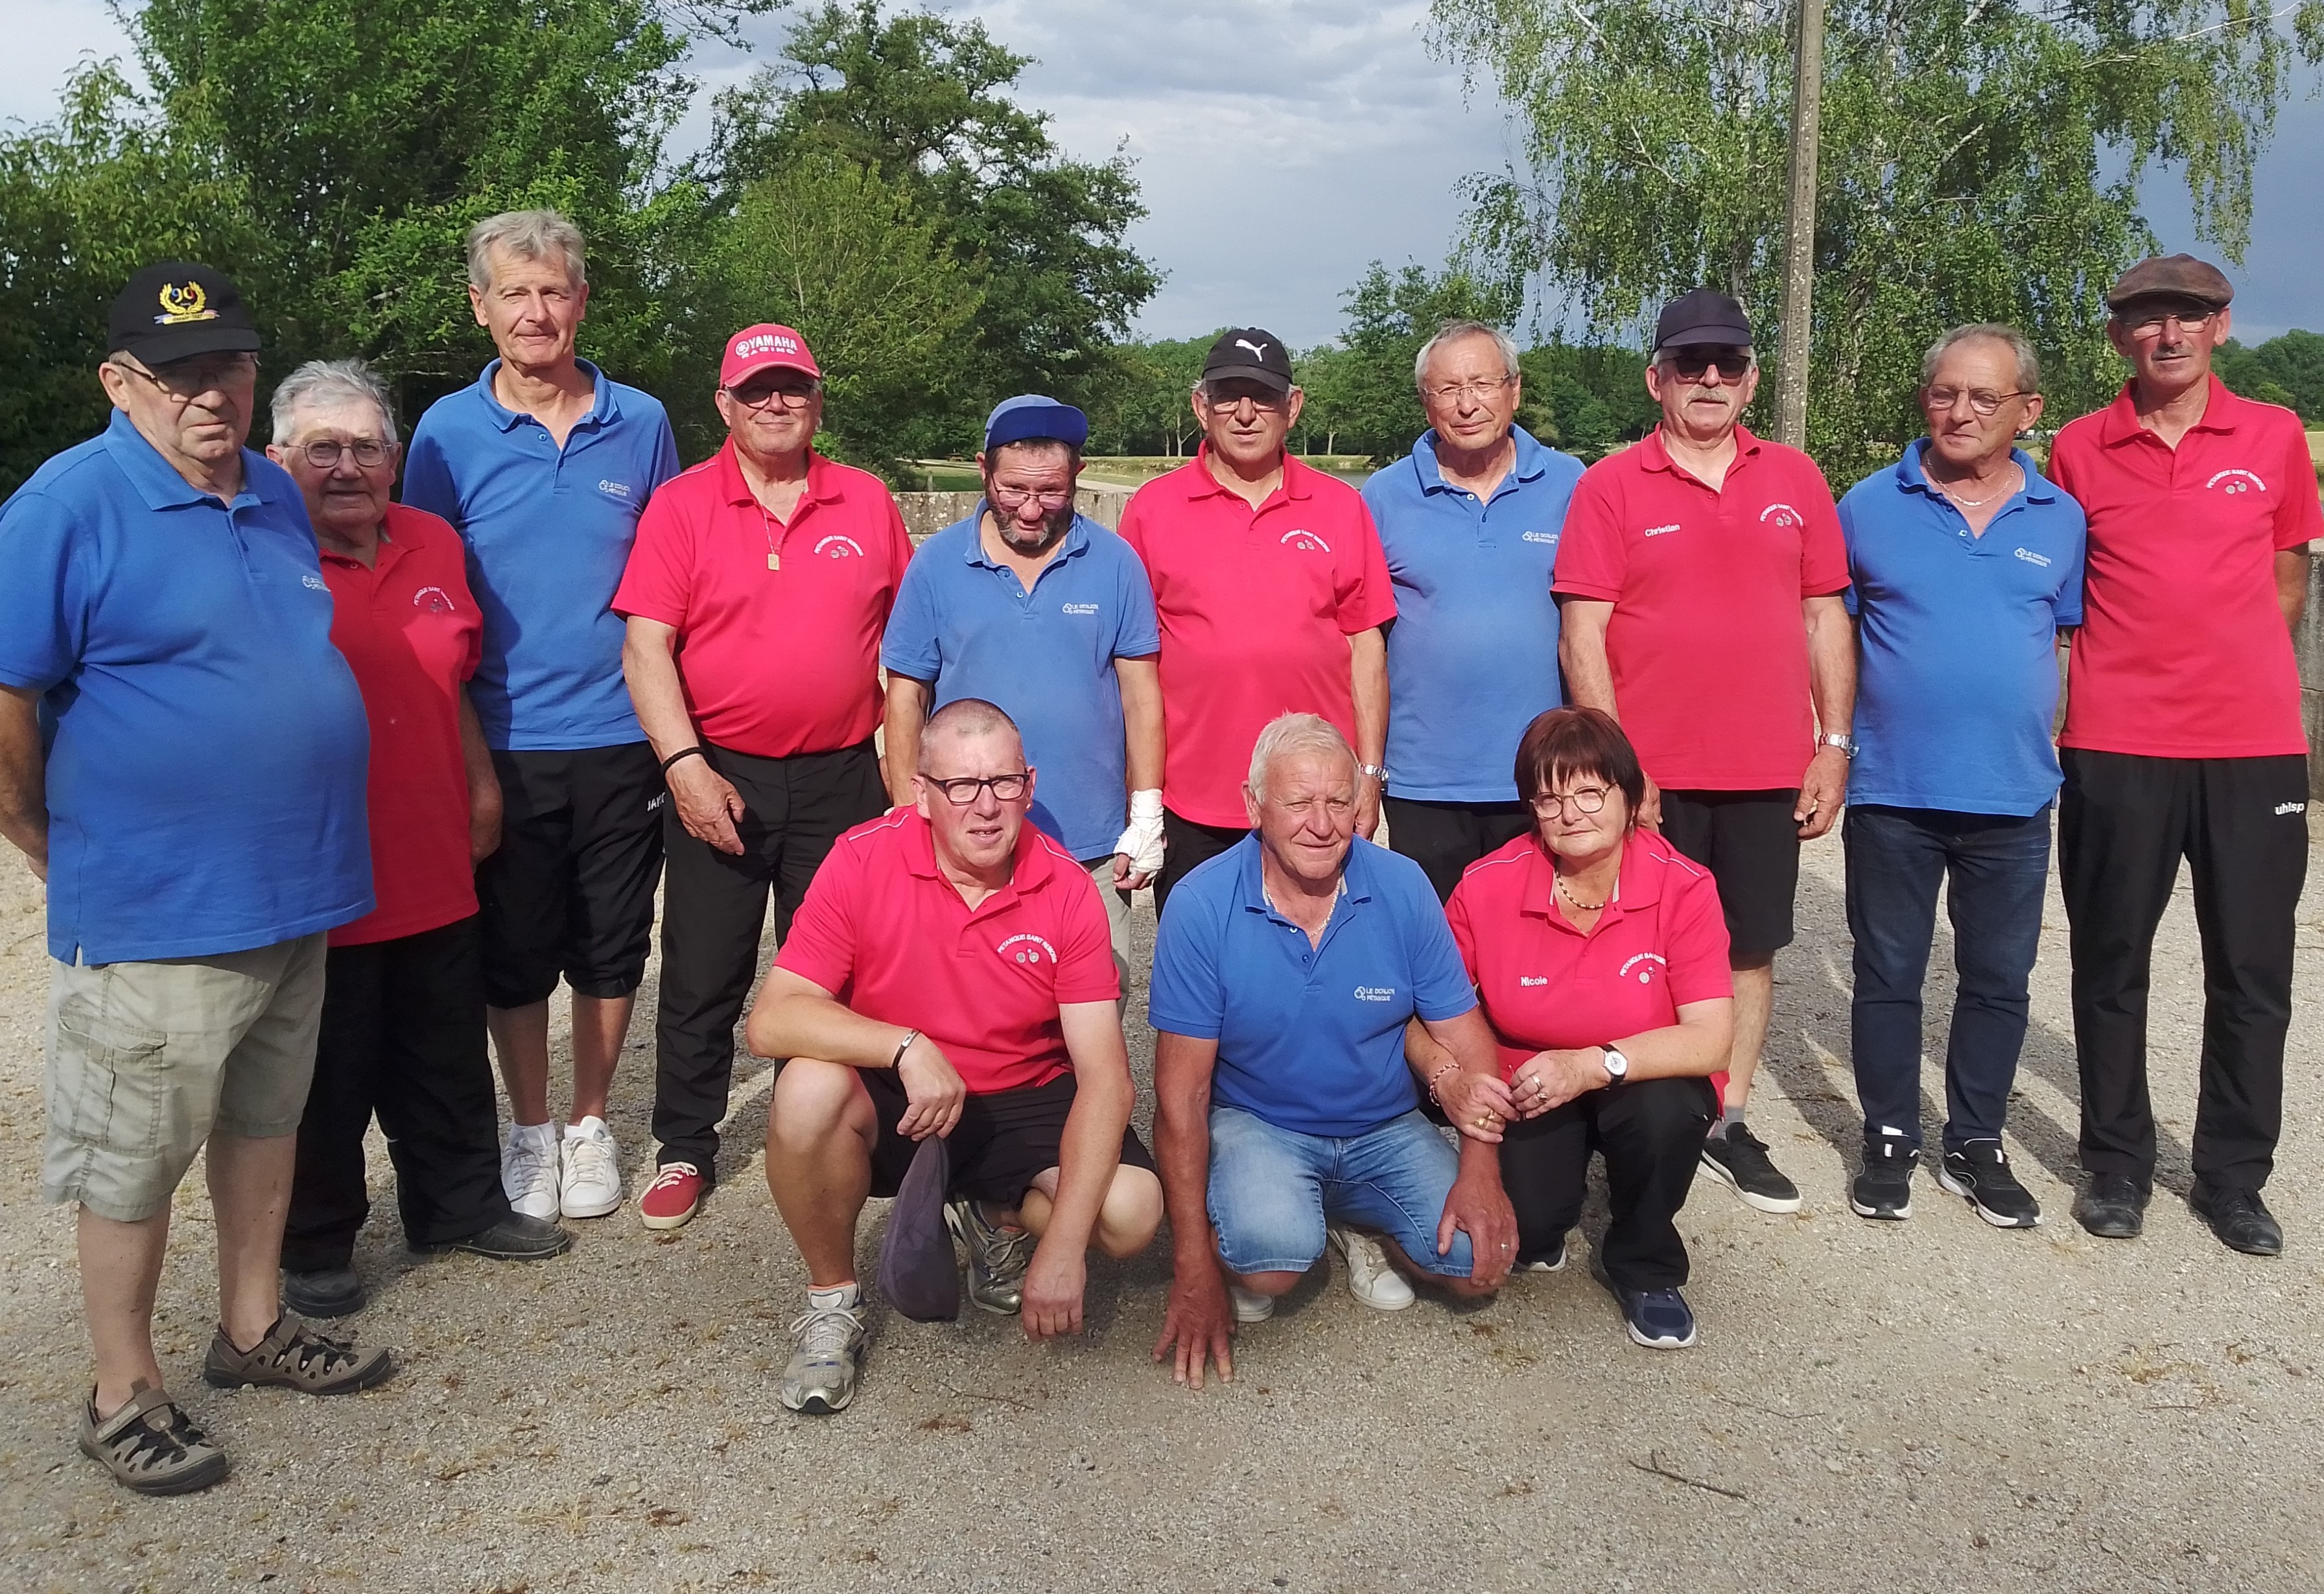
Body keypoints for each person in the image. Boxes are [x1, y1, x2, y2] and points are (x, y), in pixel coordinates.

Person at [0, 264, 392, 1496]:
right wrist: (44, 839)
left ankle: (251, 1323)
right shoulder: (67, 503)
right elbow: (8, 694)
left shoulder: (272, 490)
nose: (209, 393)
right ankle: (122, 1388)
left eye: (227, 365)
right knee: (131, 1154)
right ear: (120, 384)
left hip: (294, 886)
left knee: (263, 1124)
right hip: (161, 902)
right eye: (176, 375)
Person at [746, 699, 1164, 1414]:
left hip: (1024, 1091)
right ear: (921, 791)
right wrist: (902, 1044)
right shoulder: (861, 857)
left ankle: (997, 1215)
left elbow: (1105, 1078)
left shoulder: (1065, 886)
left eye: (1002, 782)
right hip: (901, 1088)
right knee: (806, 1090)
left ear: (1029, 785)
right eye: (960, 785)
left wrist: (1063, 1250)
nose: (985, 806)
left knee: (1132, 1213)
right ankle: (831, 1300)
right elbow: (772, 1020)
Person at [265, 359, 574, 1320]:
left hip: (432, 844)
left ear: (396, 458)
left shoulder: (436, 542)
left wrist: (483, 785)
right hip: (320, 861)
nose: (347, 466)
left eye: (365, 446)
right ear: (278, 459)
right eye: (324, 448)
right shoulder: (259, 552)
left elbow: (458, 682)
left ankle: (458, 1204)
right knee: (326, 1068)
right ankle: (316, 1241)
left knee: (442, 1044)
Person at [405, 209, 681, 1226]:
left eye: (553, 291)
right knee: (515, 948)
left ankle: (590, 1120)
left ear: (581, 301)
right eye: (514, 293)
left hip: (619, 732)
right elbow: (425, 580)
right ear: (481, 308)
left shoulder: (641, 419)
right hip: (500, 737)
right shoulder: (443, 431)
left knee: (612, 943)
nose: (535, 312)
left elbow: (667, 573)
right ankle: (528, 1126)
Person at [2045, 254, 2323, 1254]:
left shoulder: (2276, 435)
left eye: (2189, 317)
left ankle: (2233, 1176)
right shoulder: (2078, 449)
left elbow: (2286, 580)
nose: (2169, 335)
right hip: (2117, 743)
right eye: (2148, 319)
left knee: (2251, 969)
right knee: (2110, 960)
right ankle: (2117, 1161)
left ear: (2221, 327)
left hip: (2252, 749)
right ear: (2119, 335)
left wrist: (2232, 673)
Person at [1554, 287, 1853, 1216]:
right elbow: (1583, 633)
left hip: (1766, 769)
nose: (1711, 379)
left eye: (1728, 364)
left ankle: (1723, 1115)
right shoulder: (1610, 485)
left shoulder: (1796, 480)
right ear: (1658, 379)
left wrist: (1833, 743)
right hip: (1651, 778)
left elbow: (1823, 618)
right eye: (1692, 365)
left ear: (1752, 377)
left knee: (1747, 949)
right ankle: (1632, 1112)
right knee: (1628, 943)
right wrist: (1617, 770)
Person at [614, 323, 912, 1231]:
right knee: (705, 966)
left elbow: (907, 654)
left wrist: (906, 775)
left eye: (791, 387)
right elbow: (646, 646)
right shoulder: (680, 504)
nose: (774, 403)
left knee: (842, 974)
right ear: (724, 405)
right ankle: (684, 1144)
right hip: (723, 769)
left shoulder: (864, 500)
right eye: (755, 390)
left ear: (818, 399)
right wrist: (685, 766)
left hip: (840, 774)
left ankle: (840, 1131)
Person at [1148, 714, 1518, 1391]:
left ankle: (1355, 1222)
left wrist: (1482, 1169)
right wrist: (1192, 1262)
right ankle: (1300, 1216)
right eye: (1297, 802)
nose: (1321, 823)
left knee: (1476, 1264)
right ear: (1253, 805)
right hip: (1262, 1119)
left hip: (1383, 1124)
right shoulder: (1201, 904)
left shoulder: (1402, 885)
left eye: (1338, 800)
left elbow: (1470, 1039)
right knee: (1270, 1260)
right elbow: (1181, 1096)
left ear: (1360, 804)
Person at [1838, 325, 2086, 1228]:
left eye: (1984, 397)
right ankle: (1891, 1133)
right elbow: (1828, 638)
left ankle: (1975, 1139)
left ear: (2028, 409)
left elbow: (2063, 639)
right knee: (1889, 971)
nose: (1961, 412)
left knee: (1997, 977)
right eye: (1945, 393)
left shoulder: (2060, 518)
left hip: (2013, 797)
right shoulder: (1866, 506)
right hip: (1893, 793)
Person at [1414, 708, 1733, 1349]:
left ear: (1630, 794)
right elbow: (1421, 1010)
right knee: (1527, 1232)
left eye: (1591, 791)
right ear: (1531, 806)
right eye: (1551, 797)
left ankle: (1646, 1262)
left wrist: (1593, 1062)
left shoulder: (1685, 887)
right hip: (1530, 1080)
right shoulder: (1487, 886)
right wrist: (1449, 1075)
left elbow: (1710, 1037)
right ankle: (1555, 1202)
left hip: (1636, 1075)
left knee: (1666, 1108)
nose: (1572, 812)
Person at [882, 395, 1164, 981]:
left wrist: (1146, 811)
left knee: (1091, 1013)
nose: (1031, 511)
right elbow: (905, 695)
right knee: (968, 1012)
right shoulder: (935, 564)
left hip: (1090, 846)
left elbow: (1141, 697)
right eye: (1013, 490)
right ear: (983, 469)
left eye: (1051, 492)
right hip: (967, 840)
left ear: (1077, 476)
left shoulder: (1115, 562)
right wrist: (911, 809)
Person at [1118, 329, 1396, 911]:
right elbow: (1132, 663)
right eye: (1227, 396)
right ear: (1201, 407)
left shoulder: (1341, 506)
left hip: (1313, 799)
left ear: (1291, 407)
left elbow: (1365, 644)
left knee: (1317, 964)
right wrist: (1142, 799)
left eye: (1262, 397)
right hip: (1194, 798)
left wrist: (1369, 773)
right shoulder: (1152, 509)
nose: (1244, 414)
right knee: (1201, 978)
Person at [1363, 320, 1586, 900]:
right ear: (1425, 401)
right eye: (1448, 389)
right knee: (1441, 962)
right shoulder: (1381, 498)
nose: (1467, 405)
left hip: (1542, 773)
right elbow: (1360, 644)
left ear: (1513, 390)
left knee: (1537, 954)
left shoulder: (1571, 485)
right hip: (1423, 781)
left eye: (1482, 384)